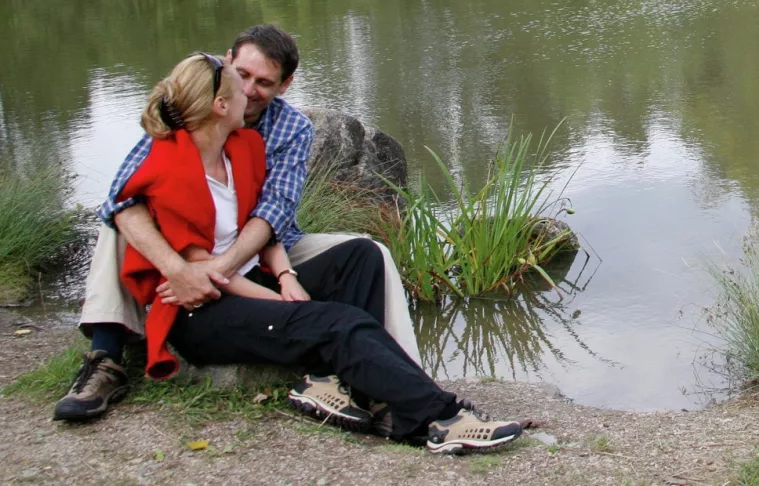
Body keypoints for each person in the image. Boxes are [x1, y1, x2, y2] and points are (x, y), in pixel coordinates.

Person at [84, 52, 523, 453]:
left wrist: (286, 277)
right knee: (340, 322)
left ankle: (333, 384)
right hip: (201, 310)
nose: (250, 96)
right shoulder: (169, 169)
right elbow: (206, 273)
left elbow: (265, 224)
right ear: (220, 105)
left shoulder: (242, 149)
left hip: (245, 277)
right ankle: (441, 418)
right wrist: (281, 301)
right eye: (241, 86)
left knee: (360, 257)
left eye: (263, 83)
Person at [56, 24, 416, 423]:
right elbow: (123, 195)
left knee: (370, 251)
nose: (249, 90)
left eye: (264, 82)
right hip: (192, 242)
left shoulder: (291, 127)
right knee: (119, 221)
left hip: (265, 240)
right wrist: (180, 270)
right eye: (242, 75)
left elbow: (273, 211)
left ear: (286, 84)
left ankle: (389, 372)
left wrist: (226, 271)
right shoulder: (192, 102)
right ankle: (106, 358)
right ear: (228, 62)